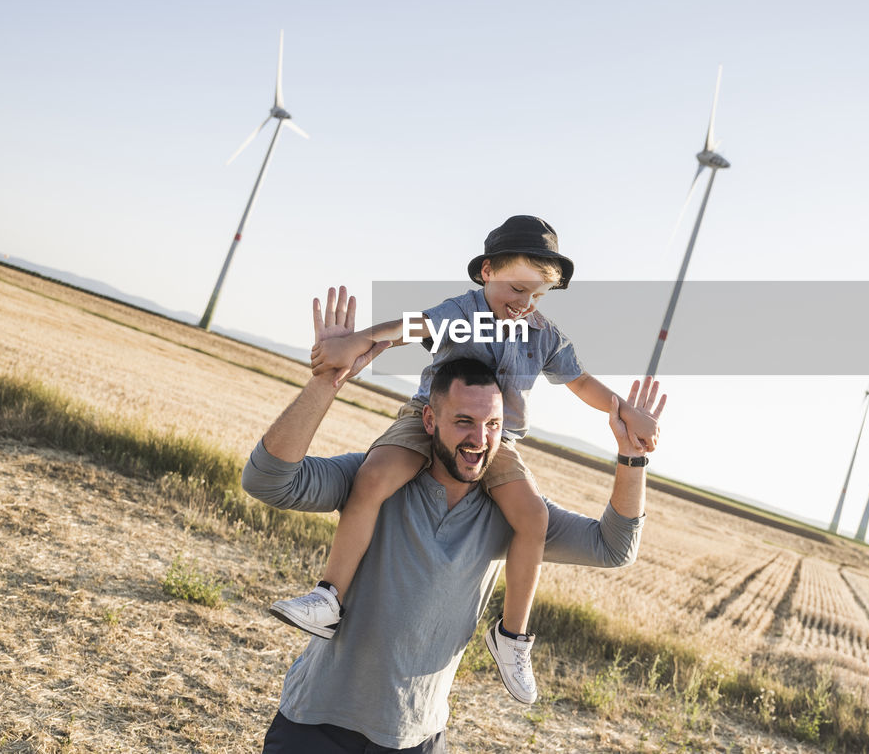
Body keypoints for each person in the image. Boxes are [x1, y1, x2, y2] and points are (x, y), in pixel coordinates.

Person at [242, 294, 665, 752]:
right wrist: (328, 379)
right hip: (316, 725)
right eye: (463, 421)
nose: (479, 439)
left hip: (418, 738)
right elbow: (269, 482)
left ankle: (511, 640)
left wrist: (631, 457)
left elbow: (612, 548)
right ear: (428, 418)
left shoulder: (509, 515)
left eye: (492, 425)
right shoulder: (372, 479)